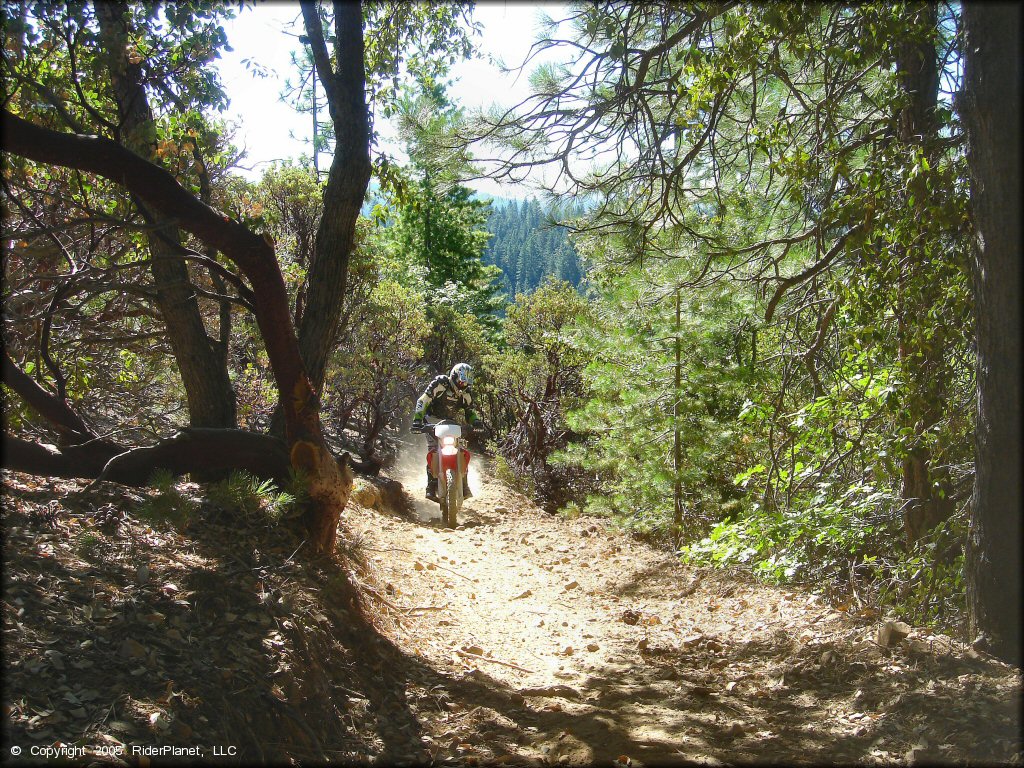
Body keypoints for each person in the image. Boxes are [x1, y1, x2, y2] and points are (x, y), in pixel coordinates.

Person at [412, 363, 480, 501]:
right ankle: (430, 486)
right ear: (454, 376)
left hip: (450, 422)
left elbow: (470, 410)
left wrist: (476, 422)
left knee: (461, 449)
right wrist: (417, 420)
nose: (462, 384)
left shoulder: (466, 392)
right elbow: (423, 400)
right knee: (433, 450)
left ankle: (465, 485)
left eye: (466, 382)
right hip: (431, 420)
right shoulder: (441, 383)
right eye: (461, 381)